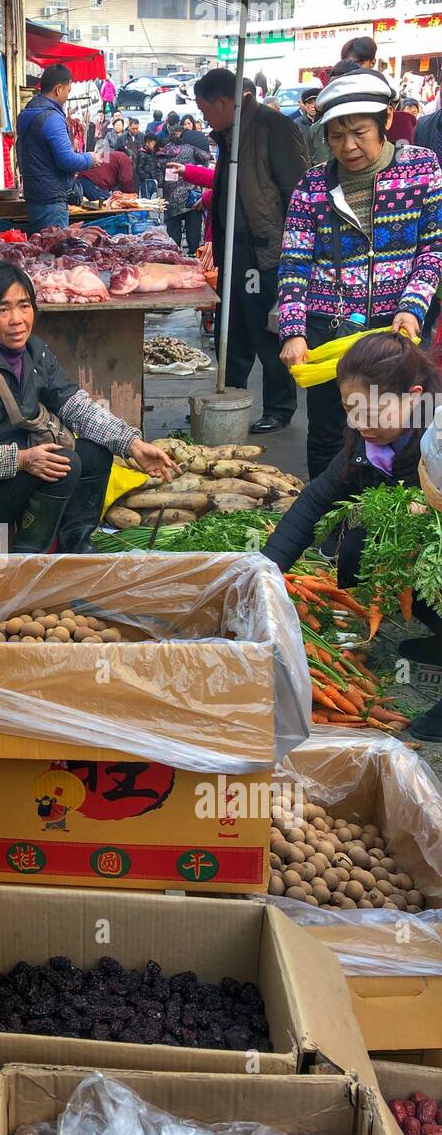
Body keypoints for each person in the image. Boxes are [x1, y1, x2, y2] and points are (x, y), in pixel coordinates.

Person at [262, 332, 442, 741]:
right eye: (350, 410)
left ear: (413, 397)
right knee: (359, 553)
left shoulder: (438, 438)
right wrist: (265, 571)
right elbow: (317, 500)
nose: (359, 424)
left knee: (428, 556)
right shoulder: (367, 442)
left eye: (372, 412)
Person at [0, 261, 178, 553]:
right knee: (64, 464)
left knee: (96, 454)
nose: (17, 319)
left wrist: (132, 445)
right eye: (2, 309)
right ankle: (27, 559)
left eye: (24, 306)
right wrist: (21, 459)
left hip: (17, 472)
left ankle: (76, 545)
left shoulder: (34, 352)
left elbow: (76, 406)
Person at [277, 68, 442, 479]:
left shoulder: (423, 169)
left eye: (359, 132)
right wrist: (293, 329)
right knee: (330, 433)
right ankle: (328, 528)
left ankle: (383, 521)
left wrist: (413, 306)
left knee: (400, 427)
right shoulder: (312, 185)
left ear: (386, 119)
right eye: (336, 135)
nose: (348, 146)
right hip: (328, 327)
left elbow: (433, 249)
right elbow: (295, 262)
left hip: (395, 330)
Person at [194, 67, 309, 434]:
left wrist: (290, 249)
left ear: (224, 103)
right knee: (233, 330)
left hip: (264, 254)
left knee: (266, 333)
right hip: (234, 251)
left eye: (205, 110)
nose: (203, 118)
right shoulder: (228, 134)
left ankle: (279, 407)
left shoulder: (274, 128)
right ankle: (230, 395)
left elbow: (297, 194)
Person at [17, 65, 99, 232]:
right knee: (55, 252)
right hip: (51, 200)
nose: (68, 96)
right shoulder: (51, 118)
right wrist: (90, 158)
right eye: (68, 91)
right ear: (58, 89)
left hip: (35, 197)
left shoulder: (30, 112)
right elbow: (66, 160)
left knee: (43, 250)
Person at [160, 125, 211, 255]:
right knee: (193, 231)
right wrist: (197, 167)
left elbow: (158, 176)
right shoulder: (190, 148)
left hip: (171, 197)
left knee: (174, 233)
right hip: (191, 195)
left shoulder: (162, 152)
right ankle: (194, 254)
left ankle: (175, 257)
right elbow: (207, 156)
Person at [136, 132, 162, 198]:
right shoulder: (142, 154)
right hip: (146, 181)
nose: (154, 146)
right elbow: (139, 169)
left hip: (153, 179)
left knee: (150, 198)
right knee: (146, 199)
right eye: (153, 144)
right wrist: (147, 177)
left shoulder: (152, 153)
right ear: (147, 143)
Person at [121, 117, 142, 189]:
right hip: (126, 166)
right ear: (129, 127)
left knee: (136, 188)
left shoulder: (141, 136)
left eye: (137, 129)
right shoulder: (122, 137)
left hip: (138, 166)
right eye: (133, 129)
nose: (135, 131)